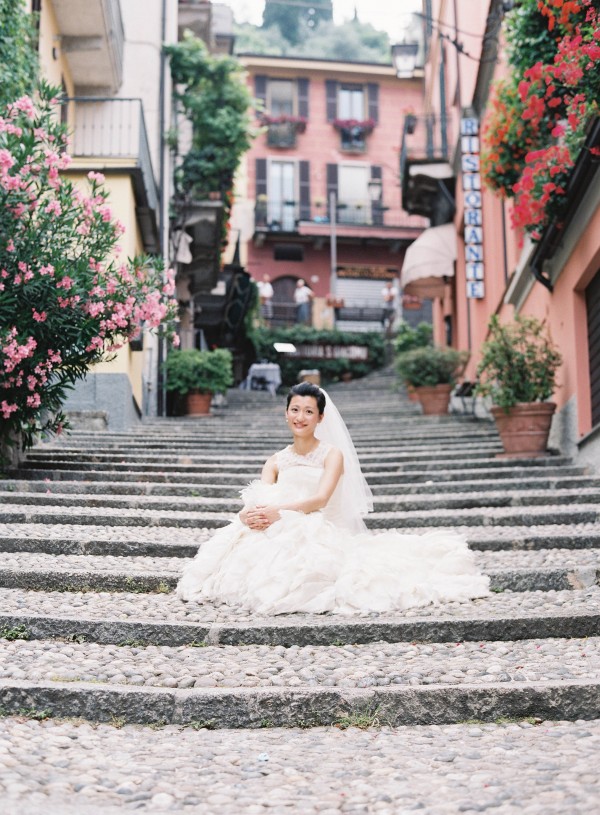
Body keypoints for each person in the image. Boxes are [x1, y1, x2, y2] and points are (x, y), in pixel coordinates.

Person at [177, 382, 490, 615]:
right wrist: (251, 515)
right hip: (277, 525)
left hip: (319, 525)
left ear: (320, 417)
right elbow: (260, 497)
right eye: (295, 410)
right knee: (246, 545)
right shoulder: (275, 461)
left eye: (309, 411)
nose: (301, 417)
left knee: (307, 548)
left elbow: (320, 499)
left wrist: (278, 511)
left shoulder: (332, 455)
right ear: (286, 413)